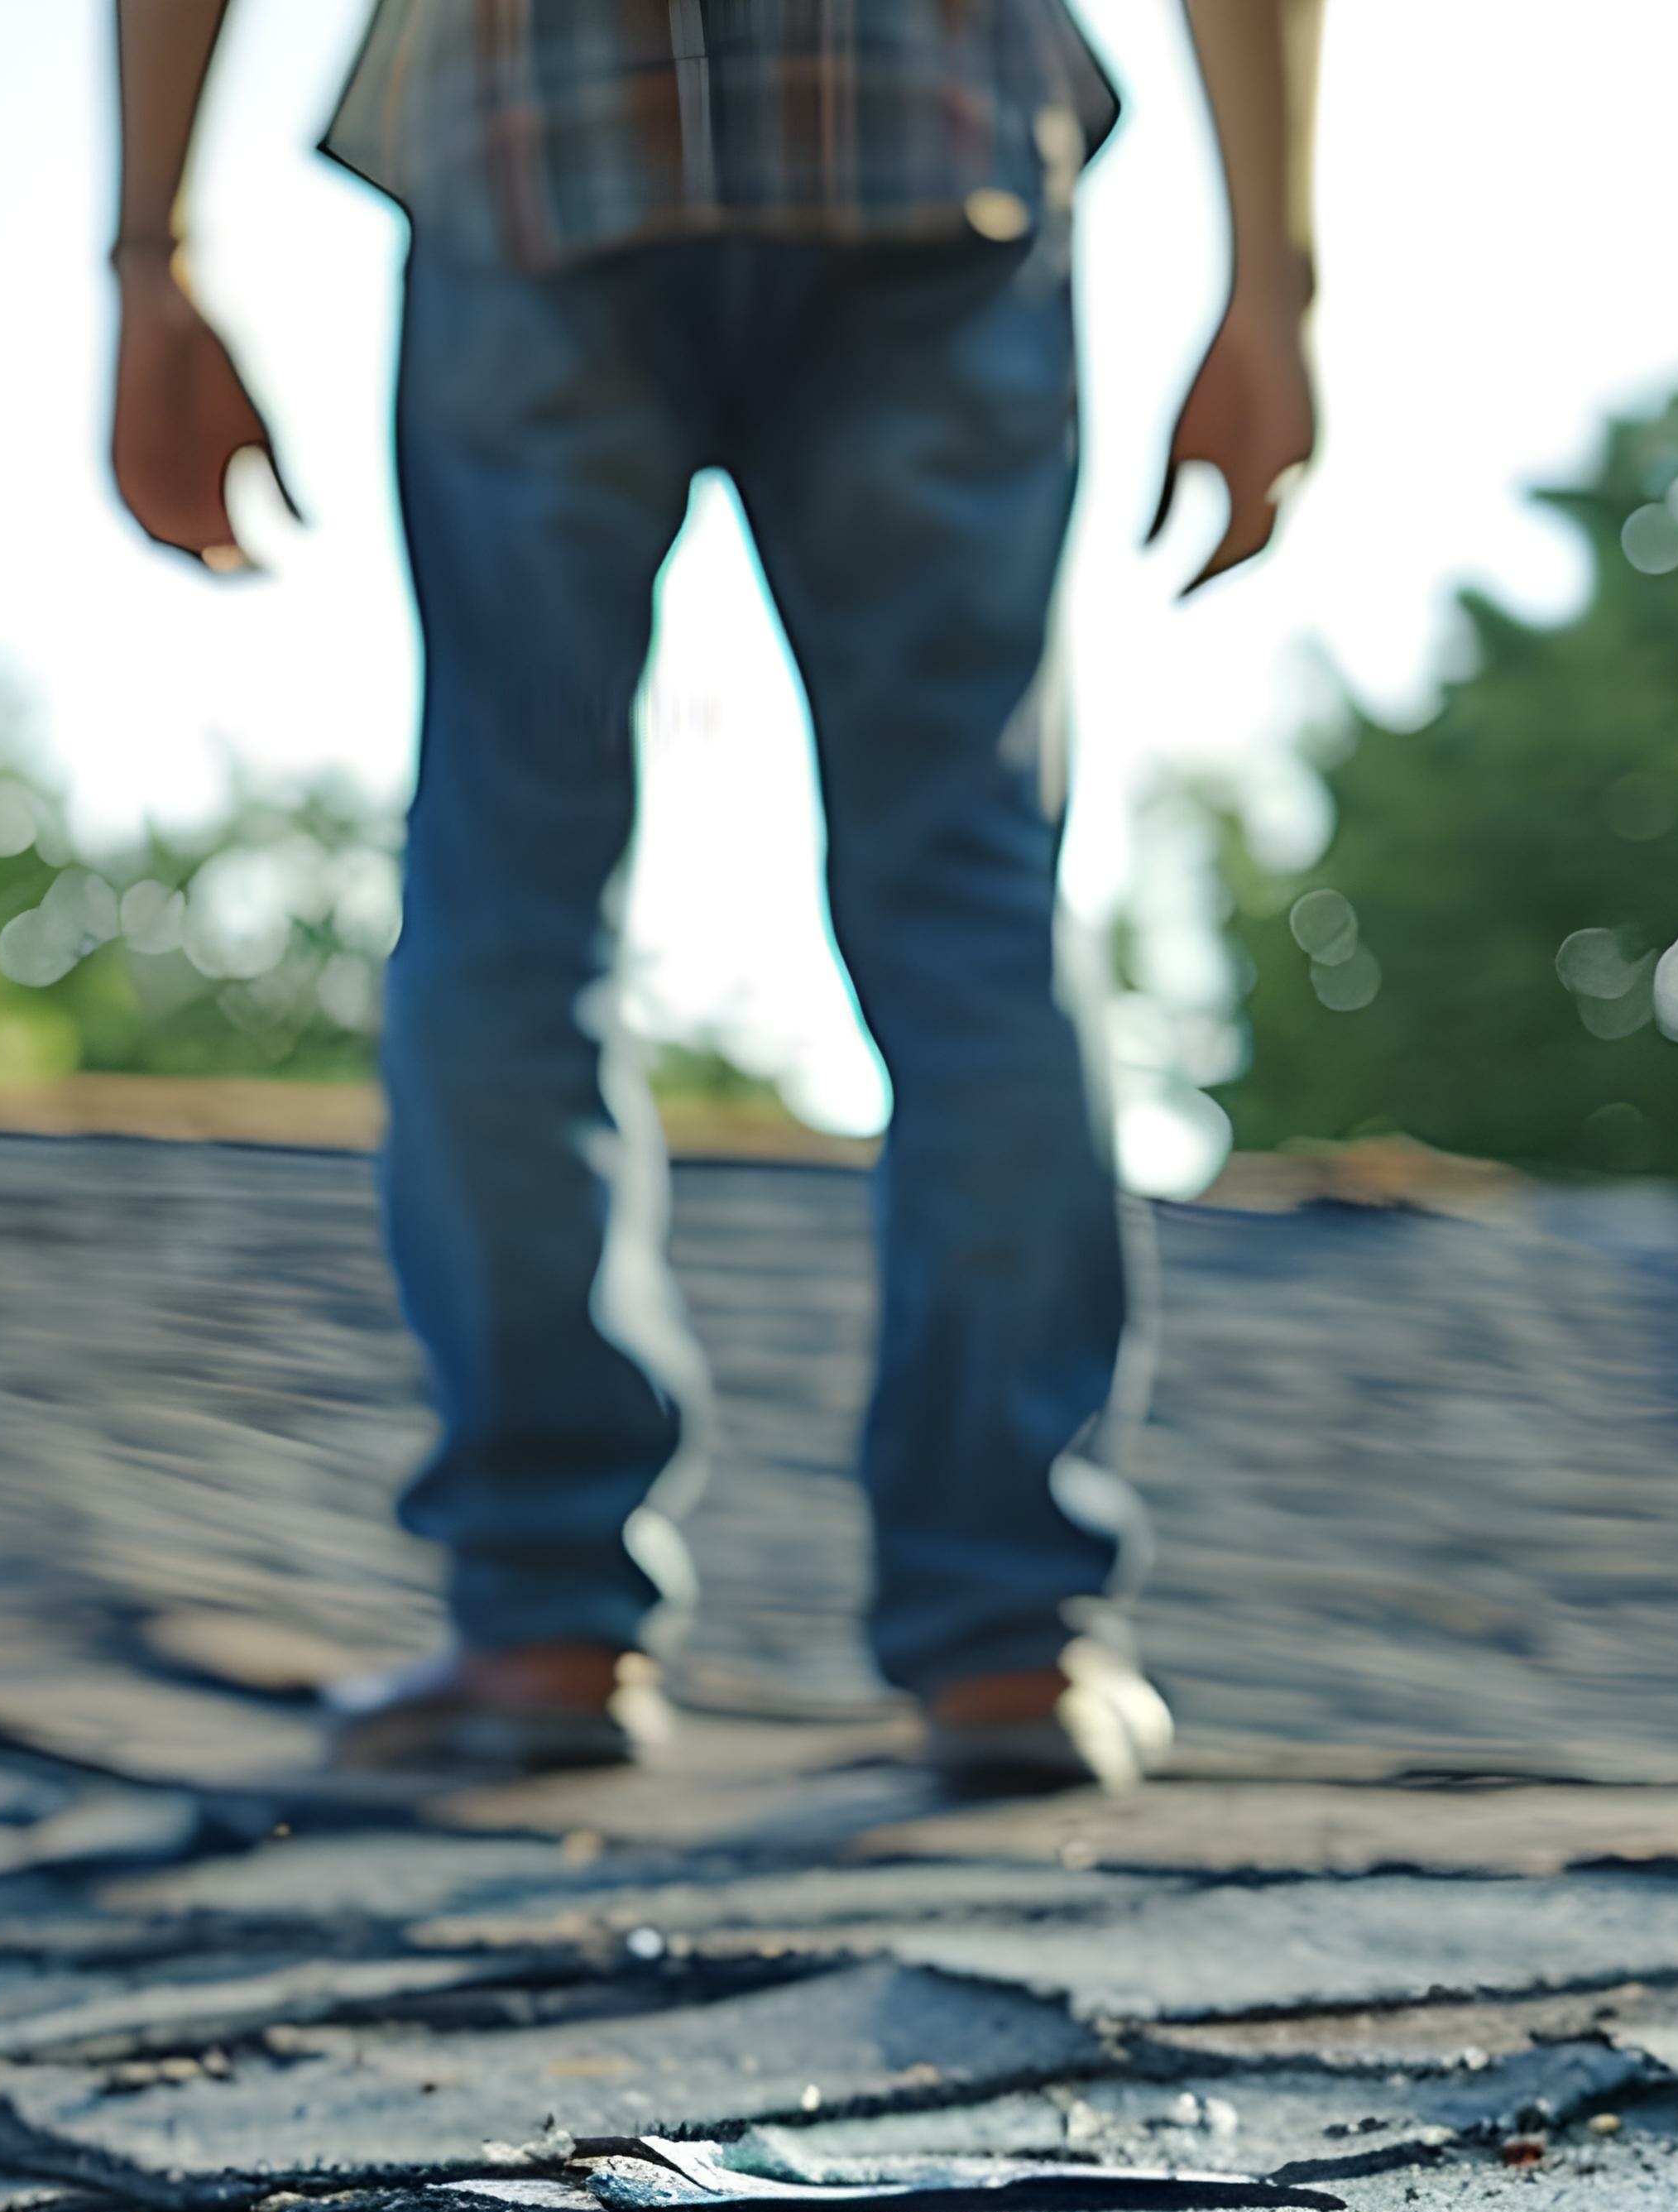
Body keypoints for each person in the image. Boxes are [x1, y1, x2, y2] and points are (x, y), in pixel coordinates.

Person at [107, 0, 1321, 1790]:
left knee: (513, 887)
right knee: (974, 891)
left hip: (540, 144)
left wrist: (154, 255)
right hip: (926, 133)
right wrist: (1275, 280)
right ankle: (1012, 1644)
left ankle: (542, 1621)